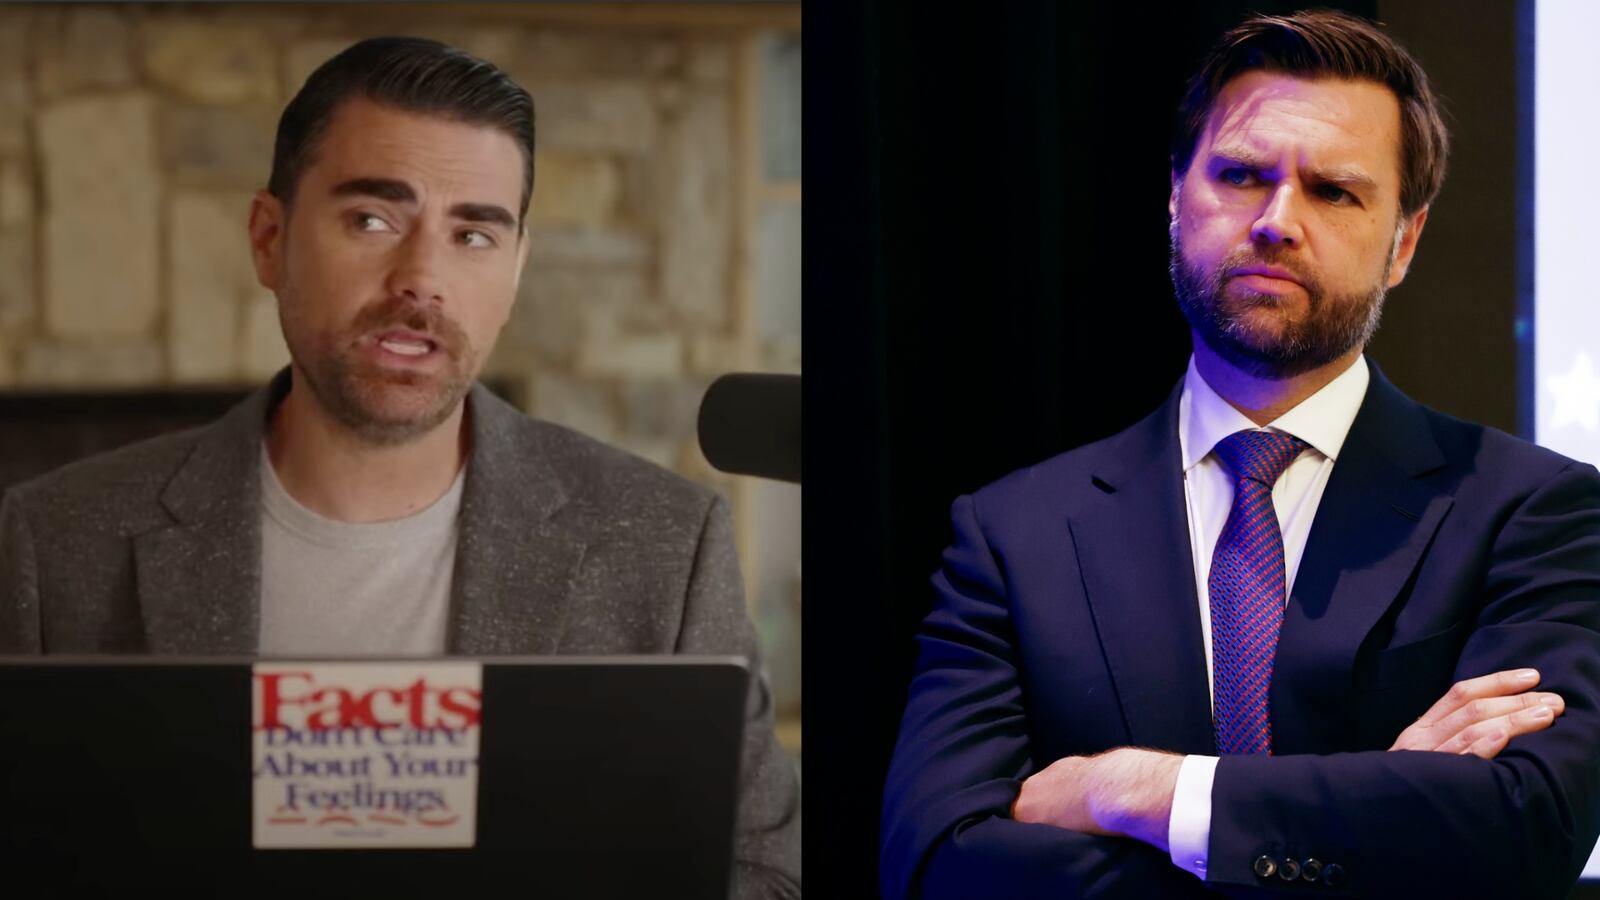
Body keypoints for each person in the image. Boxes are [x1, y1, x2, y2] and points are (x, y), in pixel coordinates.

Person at [0, 37, 798, 898]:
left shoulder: (668, 547)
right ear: (269, 240)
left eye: (473, 234)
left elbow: (764, 874)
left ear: (518, 266)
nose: (422, 278)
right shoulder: (52, 541)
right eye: (372, 220)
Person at [881, 10, 1600, 899]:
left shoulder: (1531, 512)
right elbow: (935, 863)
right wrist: (1384, 809)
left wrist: (1135, 791)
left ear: (1404, 242)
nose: (1277, 222)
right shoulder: (1013, 535)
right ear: (1177, 196)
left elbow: (1528, 828)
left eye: (1335, 191)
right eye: (1241, 175)